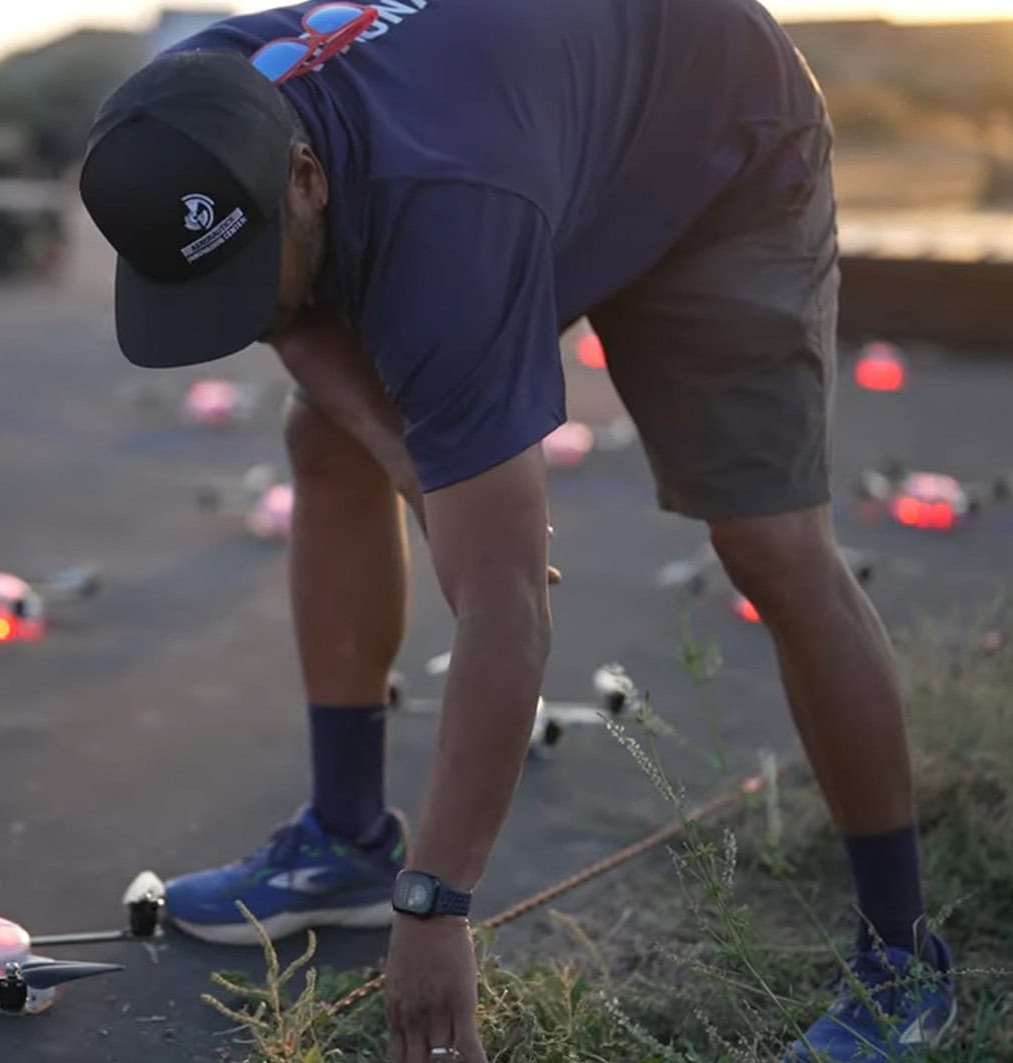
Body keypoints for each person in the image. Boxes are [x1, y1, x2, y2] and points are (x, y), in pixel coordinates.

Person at [74, 1, 955, 1060]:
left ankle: (903, 961)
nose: (236, 314)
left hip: (716, 147)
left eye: (242, 264)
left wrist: (437, 904)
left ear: (302, 178)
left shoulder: (446, 221)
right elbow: (281, 314)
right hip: (538, 132)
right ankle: (346, 838)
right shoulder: (192, 107)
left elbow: (505, 610)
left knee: (767, 541)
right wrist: (405, 454)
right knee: (329, 437)